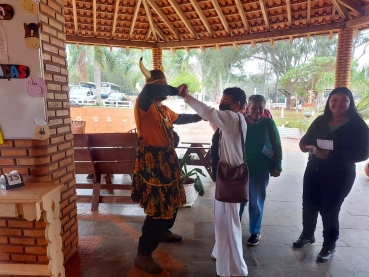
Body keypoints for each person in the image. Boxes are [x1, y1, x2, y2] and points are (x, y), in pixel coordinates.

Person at [132, 59, 202, 274]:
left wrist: (206, 114)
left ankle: (163, 231)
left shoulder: (162, 109)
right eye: (160, 85)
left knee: (172, 200)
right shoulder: (144, 103)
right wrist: (176, 90)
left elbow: (181, 117)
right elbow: (152, 91)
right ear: (152, 87)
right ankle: (143, 254)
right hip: (153, 165)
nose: (163, 89)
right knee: (157, 208)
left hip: (168, 162)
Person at [293, 87, 369, 262]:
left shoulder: (357, 126)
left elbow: (363, 153)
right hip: (314, 170)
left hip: (340, 176)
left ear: (350, 103)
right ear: (329, 102)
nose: (338, 104)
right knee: (309, 205)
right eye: (334, 100)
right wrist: (304, 145)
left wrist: (331, 155)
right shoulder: (321, 120)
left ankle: (329, 245)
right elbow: (306, 139)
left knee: (330, 210)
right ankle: (307, 235)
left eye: (344, 100)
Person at [180, 87, 248, 277]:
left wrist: (185, 96)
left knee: (230, 223)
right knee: (222, 221)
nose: (222, 103)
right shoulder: (235, 119)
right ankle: (221, 254)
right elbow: (213, 119)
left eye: (226, 101)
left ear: (238, 105)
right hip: (227, 178)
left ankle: (235, 269)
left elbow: (208, 112)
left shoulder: (233, 118)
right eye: (222, 100)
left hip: (230, 180)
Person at [239, 95, 282, 246]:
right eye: (253, 108)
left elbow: (276, 145)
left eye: (260, 108)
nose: (257, 111)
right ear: (247, 108)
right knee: (238, 201)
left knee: (256, 202)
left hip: (260, 168)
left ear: (264, 108)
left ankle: (255, 231)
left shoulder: (268, 123)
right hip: (241, 168)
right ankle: (235, 228)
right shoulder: (241, 122)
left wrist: (277, 165)